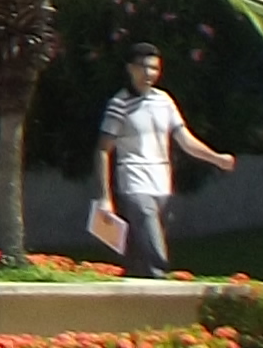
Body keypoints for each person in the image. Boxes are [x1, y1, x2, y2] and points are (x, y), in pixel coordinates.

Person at [96, 42, 235, 279]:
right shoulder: (119, 104)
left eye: (154, 68)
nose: (149, 73)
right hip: (134, 181)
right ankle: (161, 280)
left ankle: (136, 284)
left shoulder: (164, 101)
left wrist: (216, 158)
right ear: (130, 69)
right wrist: (104, 197)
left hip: (161, 184)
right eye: (143, 67)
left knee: (139, 250)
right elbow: (102, 150)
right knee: (152, 244)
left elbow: (185, 140)